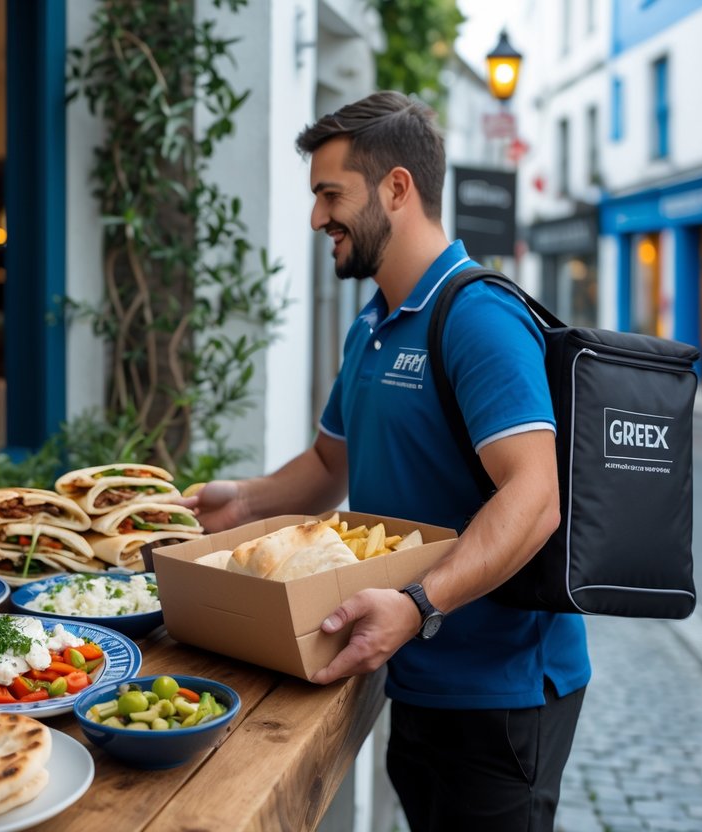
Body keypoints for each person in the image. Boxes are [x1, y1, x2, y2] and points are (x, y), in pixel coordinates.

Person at [182, 91, 590, 831]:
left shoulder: (477, 318)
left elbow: (534, 496)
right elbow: (324, 466)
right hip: (412, 674)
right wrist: (236, 505)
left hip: (500, 693)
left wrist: (417, 605)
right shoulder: (372, 325)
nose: (316, 219)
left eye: (329, 194)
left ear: (396, 188)